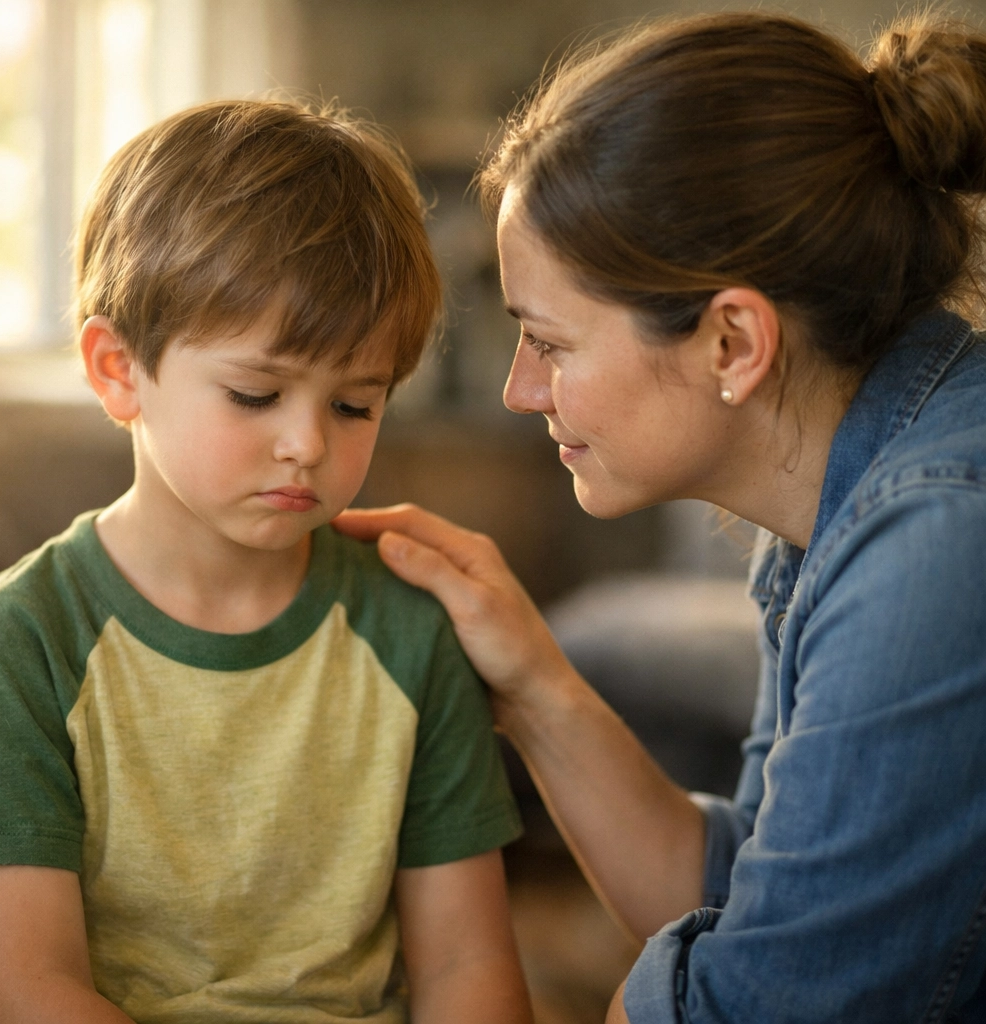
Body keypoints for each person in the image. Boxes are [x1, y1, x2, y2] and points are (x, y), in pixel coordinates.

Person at [335, 12, 986, 1023]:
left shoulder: (935, 542)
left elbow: (759, 1004)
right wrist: (531, 684)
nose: (520, 390)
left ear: (731, 342)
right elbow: (751, 896)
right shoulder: (837, 503)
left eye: (548, 342)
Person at [0, 100, 532, 1024]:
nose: (306, 443)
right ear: (117, 370)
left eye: (355, 405)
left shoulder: (408, 630)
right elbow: (33, 991)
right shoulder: (16, 645)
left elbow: (468, 968)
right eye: (255, 393)